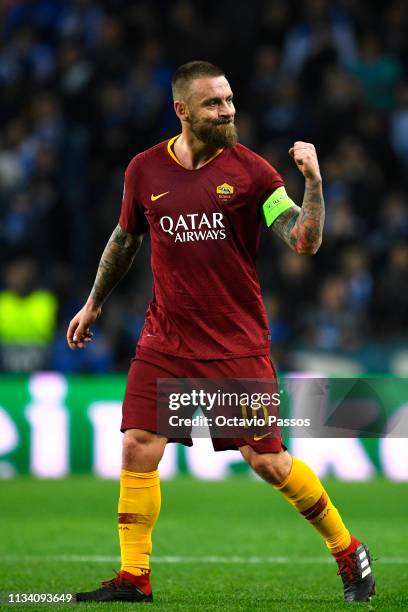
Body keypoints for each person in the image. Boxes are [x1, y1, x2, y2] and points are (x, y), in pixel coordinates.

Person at [67, 61, 375, 604]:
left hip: (234, 345)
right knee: (138, 445)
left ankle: (348, 551)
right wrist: (93, 303)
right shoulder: (144, 171)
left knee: (269, 462)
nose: (227, 110)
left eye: (229, 100)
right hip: (165, 340)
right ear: (183, 111)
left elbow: (304, 241)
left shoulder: (254, 172)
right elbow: (124, 240)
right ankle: (134, 578)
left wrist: (315, 183)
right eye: (213, 104)